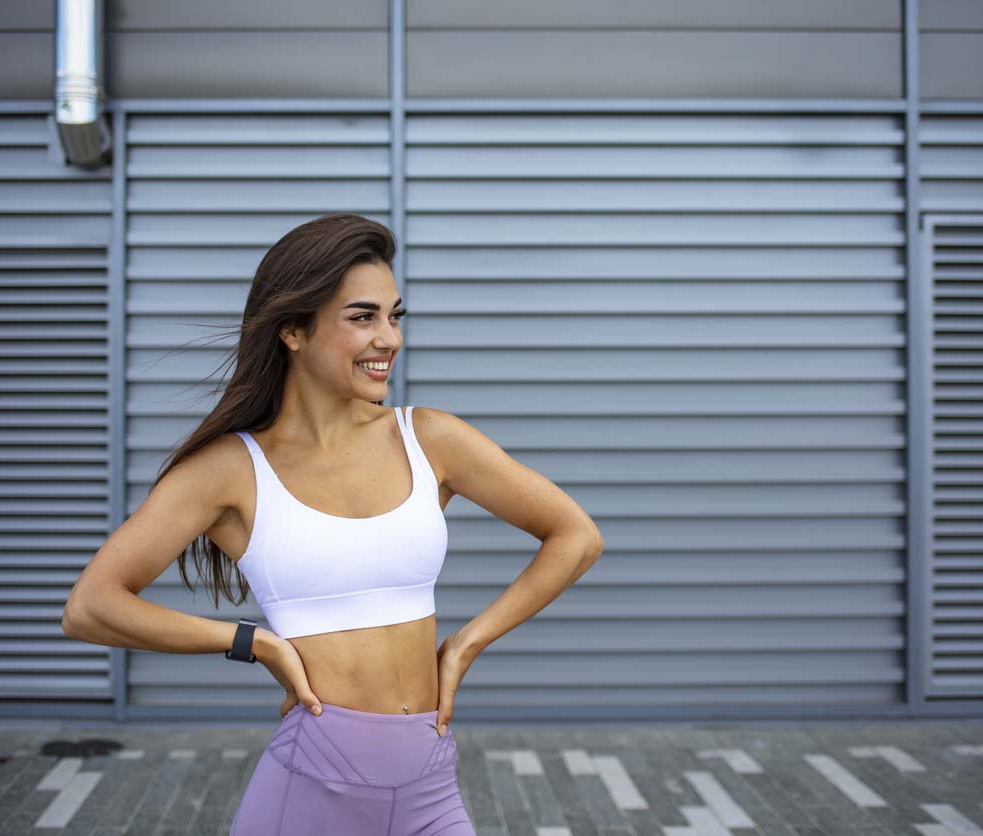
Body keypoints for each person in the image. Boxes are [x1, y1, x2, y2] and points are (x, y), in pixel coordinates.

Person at [61, 213, 605, 835]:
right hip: (311, 789)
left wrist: (464, 646)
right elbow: (90, 606)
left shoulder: (429, 438)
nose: (390, 339)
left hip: (430, 784)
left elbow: (576, 536)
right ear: (293, 330)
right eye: (362, 317)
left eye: (395, 316)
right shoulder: (231, 470)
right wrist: (255, 643)